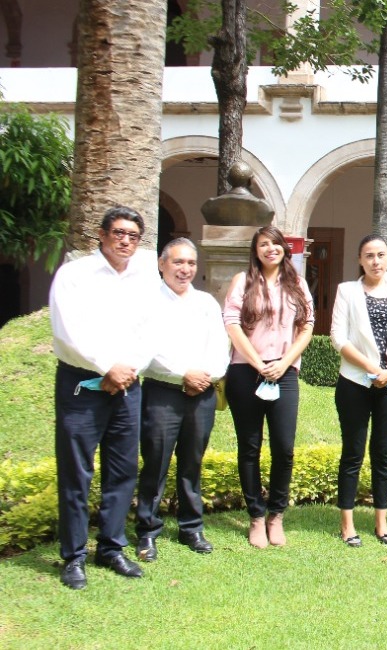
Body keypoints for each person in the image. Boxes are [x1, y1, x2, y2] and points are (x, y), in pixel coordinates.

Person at [50, 206, 160, 589]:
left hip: (128, 384)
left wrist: (127, 369)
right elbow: (67, 330)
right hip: (82, 383)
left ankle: (111, 547)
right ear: (101, 234)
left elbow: (151, 331)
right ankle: (74, 556)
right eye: (118, 233)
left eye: (133, 236)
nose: (125, 241)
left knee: (122, 469)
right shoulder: (75, 275)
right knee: (76, 471)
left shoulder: (145, 280)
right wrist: (106, 367)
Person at [134, 238, 230, 562]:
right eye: (178, 262)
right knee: (156, 463)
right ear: (162, 264)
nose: (185, 269)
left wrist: (207, 376)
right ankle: (147, 531)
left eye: (191, 263)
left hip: (202, 393)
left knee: (192, 462)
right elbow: (146, 349)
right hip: (162, 392)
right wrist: (182, 374)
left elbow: (220, 346)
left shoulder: (206, 303)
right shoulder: (147, 302)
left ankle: (191, 527)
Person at [223, 225, 315, 548]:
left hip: (284, 372)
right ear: (256, 250)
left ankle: (276, 515)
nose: (270, 249)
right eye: (263, 244)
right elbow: (231, 324)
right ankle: (256, 517)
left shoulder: (297, 283)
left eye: (275, 244)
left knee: (284, 447)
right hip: (246, 371)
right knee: (249, 447)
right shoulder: (242, 281)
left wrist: (285, 362)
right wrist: (257, 363)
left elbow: (307, 325)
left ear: (284, 249)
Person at [330, 235, 387, 547]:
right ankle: (347, 524)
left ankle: (382, 523)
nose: (375, 261)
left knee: (383, 453)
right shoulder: (347, 291)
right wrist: (371, 367)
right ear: (360, 260)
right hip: (355, 382)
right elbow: (338, 338)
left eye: (381, 255)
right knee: (353, 452)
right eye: (369, 255)